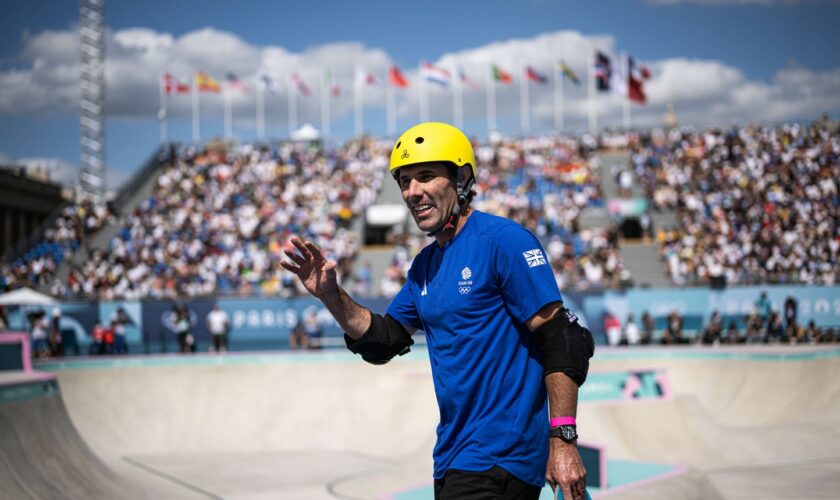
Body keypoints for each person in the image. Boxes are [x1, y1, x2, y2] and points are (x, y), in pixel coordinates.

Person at [282, 122, 594, 500]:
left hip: (499, 461)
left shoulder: (502, 241)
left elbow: (563, 337)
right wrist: (331, 296)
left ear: (461, 178)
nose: (413, 192)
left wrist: (562, 440)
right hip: (452, 458)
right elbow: (382, 340)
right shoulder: (424, 266)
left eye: (426, 176)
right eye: (404, 181)